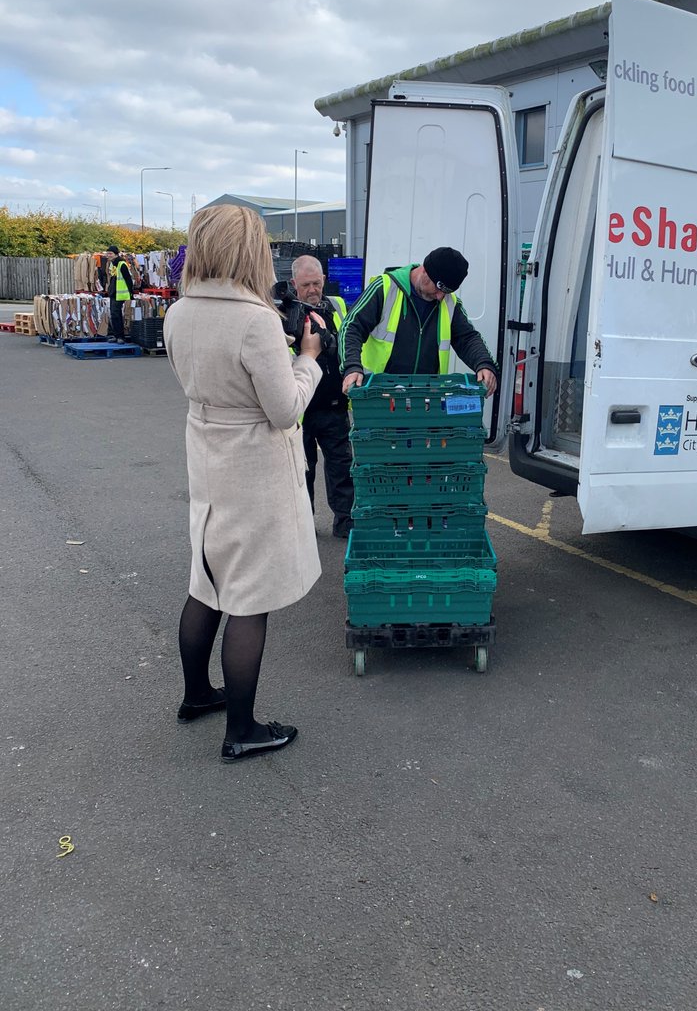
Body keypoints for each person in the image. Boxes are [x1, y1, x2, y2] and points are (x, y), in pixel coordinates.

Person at [163, 203, 324, 764]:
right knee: (249, 596)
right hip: (252, 465)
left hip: (206, 453)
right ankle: (242, 728)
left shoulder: (179, 312)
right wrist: (307, 360)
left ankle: (196, 695)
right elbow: (284, 412)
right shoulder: (255, 320)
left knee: (207, 579)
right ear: (248, 251)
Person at [339, 247, 499, 394]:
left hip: (425, 400)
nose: (440, 296)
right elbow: (351, 327)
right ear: (426, 271)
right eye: (438, 288)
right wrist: (352, 367)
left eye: (446, 292)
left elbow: (467, 338)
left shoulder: (449, 303)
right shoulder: (384, 288)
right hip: (379, 396)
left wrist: (484, 363)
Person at [276, 255, 354, 539]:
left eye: (317, 283)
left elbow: (347, 342)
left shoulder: (337, 306)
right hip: (302, 409)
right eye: (306, 284)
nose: (313, 289)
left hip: (334, 404)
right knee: (302, 471)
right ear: (295, 283)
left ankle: (345, 521)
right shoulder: (283, 314)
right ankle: (303, 525)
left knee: (342, 467)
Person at [104, 245, 134, 342]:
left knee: (116, 314)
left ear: (116, 254)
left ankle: (120, 337)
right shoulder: (113, 264)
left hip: (120, 294)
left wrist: (131, 293)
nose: (108, 255)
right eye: (108, 253)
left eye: (110, 253)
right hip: (114, 292)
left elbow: (128, 279)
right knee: (114, 314)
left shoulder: (122, 264)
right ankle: (117, 336)